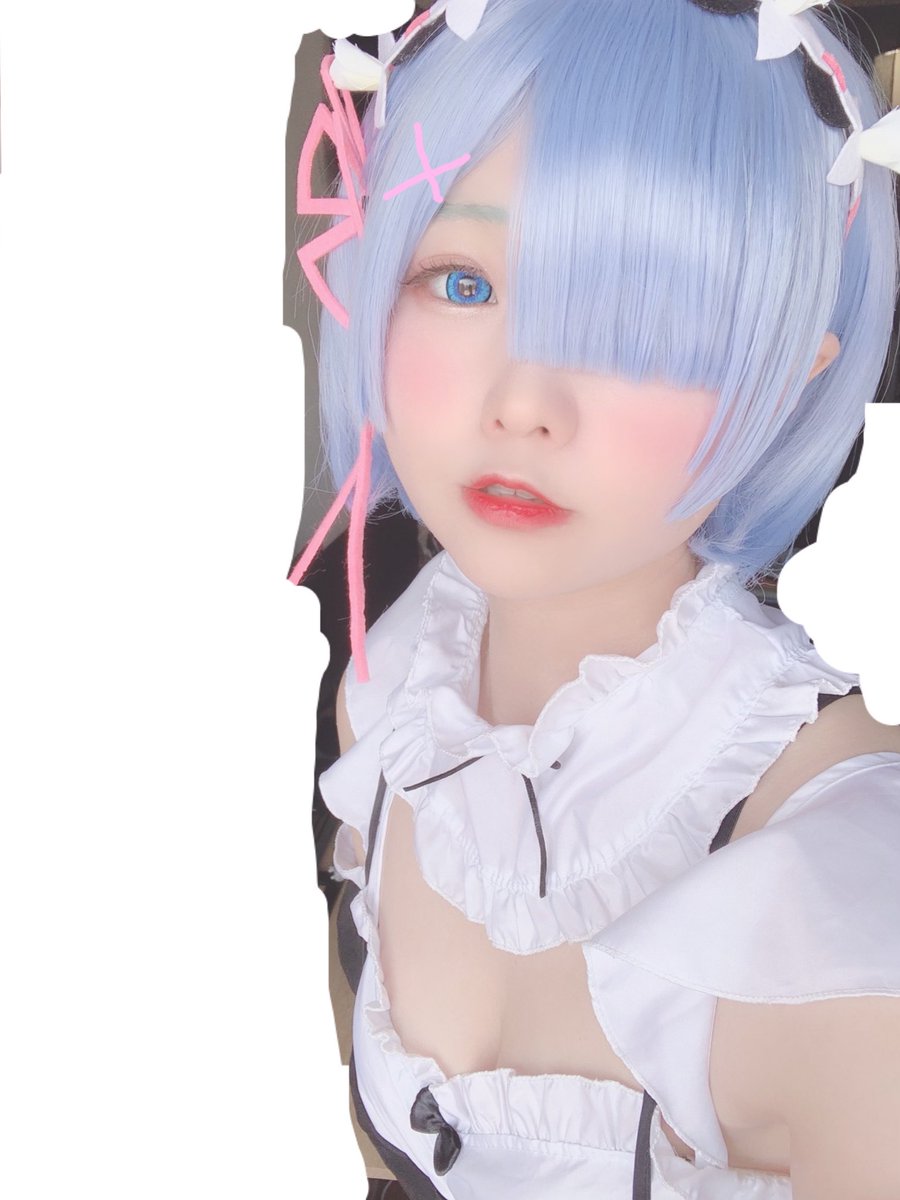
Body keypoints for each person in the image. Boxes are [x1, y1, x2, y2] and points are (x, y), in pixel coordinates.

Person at [292, 1, 900, 1196]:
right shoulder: (393, 694)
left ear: (789, 381)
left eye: (637, 322)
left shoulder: (843, 910)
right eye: (463, 282)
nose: (524, 402)